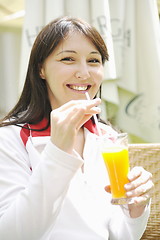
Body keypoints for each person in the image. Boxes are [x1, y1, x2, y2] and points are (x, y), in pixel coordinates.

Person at [0, 16, 153, 240]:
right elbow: (12, 234)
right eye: (68, 59)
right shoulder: (10, 138)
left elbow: (118, 235)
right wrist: (58, 152)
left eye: (94, 61)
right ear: (41, 69)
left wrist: (135, 211)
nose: (84, 73)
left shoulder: (107, 138)